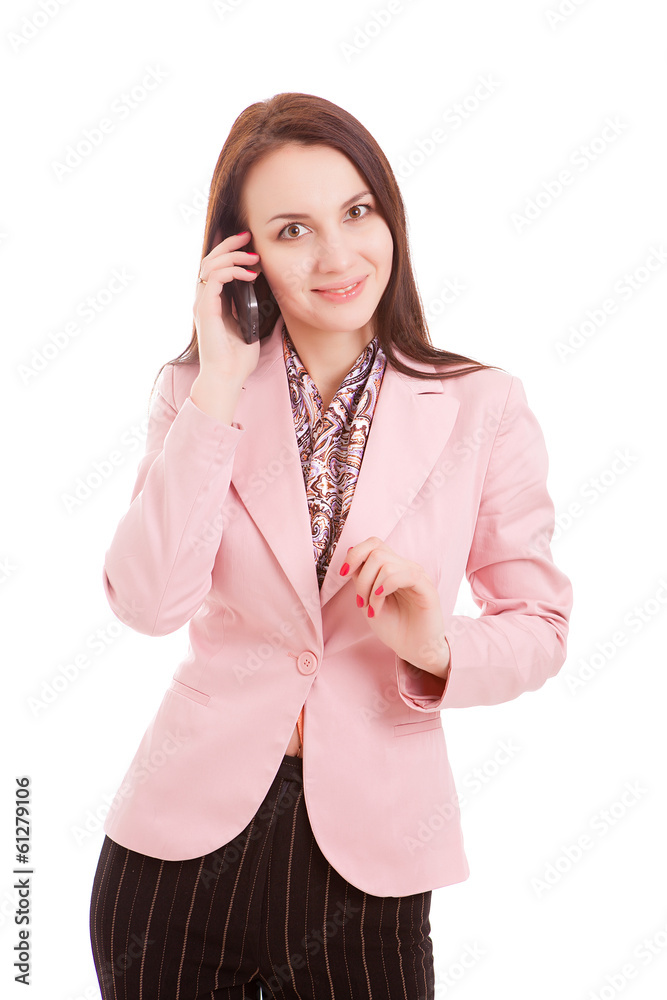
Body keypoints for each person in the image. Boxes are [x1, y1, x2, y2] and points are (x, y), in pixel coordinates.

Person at [89, 92, 573, 1000]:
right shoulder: (197, 393)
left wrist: (434, 646)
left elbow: (540, 626)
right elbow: (148, 604)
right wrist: (218, 386)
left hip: (371, 861)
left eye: (356, 212)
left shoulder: (483, 405)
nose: (338, 255)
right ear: (243, 257)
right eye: (292, 230)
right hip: (176, 856)